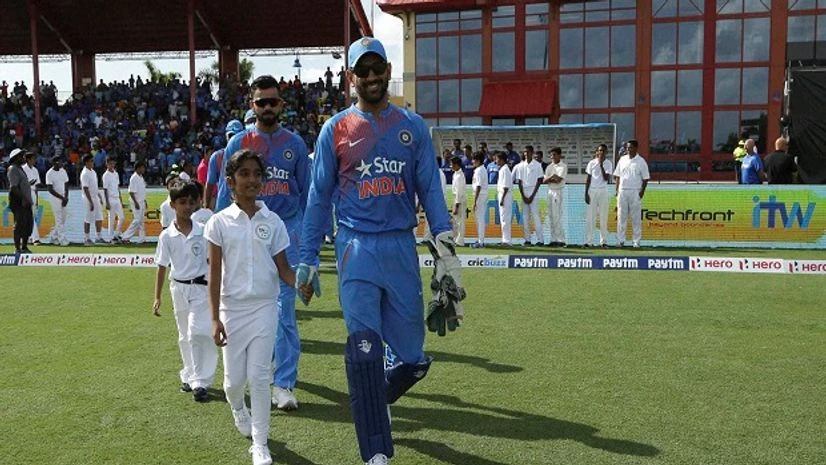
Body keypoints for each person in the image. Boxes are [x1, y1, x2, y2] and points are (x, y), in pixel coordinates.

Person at [296, 37, 461, 465]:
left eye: (377, 68)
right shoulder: (336, 129)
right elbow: (317, 197)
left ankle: (373, 396)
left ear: (388, 71)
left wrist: (445, 246)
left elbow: (430, 188)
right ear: (350, 77)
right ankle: (376, 452)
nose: (370, 77)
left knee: (412, 358)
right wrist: (308, 257)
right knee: (364, 347)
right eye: (362, 70)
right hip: (356, 248)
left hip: (401, 247)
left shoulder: (413, 127)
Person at [218, 75, 311, 411]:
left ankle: (283, 384)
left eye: (273, 101)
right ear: (252, 105)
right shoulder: (237, 144)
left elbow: (308, 195)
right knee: (245, 306)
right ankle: (250, 373)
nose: (268, 107)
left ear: (281, 105)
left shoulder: (295, 145)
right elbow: (220, 195)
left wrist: (307, 243)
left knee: (284, 311)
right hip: (244, 233)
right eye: (261, 102)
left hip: (285, 233)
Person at [205, 149, 298, 465]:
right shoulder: (218, 223)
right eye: (244, 174)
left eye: (257, 174)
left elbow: (284, 268)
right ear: (230, 181)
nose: (252, 180)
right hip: (231, 311)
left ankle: (260, 444)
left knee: (259, 377)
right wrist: (215, 318)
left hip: (264, 308)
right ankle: (237, 409)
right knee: (233, 383)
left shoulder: (273, 221)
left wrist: (302, 282)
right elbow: (214, 274)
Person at [153, 180, 218, 403]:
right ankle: (189, 375)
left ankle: (201, 381)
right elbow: (161, 265)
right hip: (177, 288)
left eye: (192, 202)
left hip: (201, 287)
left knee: (198, 332)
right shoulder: (166, 236)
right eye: (182, 202)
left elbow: (214, 260)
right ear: (172, 205)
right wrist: (157, 297)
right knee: (184, 335)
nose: (187, 207)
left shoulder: (203, 231)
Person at [613, 140, 650, 248]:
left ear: (636, 148)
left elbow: (645, 178)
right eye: (627, 148)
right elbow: (617, 176)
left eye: (631, 148)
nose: (628, 150)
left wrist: (641, 192)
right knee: (621, 217)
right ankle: (620, 240)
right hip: (622, 191)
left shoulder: (641, 161)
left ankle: (636, 241)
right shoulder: (622, 160)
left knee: (636, 218)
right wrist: (617, 191)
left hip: (635, 191)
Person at [205, 119, 243, 210]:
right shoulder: (217, 157)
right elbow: (210, 184)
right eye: (231, 135)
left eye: (237, 135)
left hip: (243, 207)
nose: (233, 139)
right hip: (223, 206)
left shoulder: (248, 157)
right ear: (226, 136)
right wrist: (206, 207)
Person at [513, 145, 544, 246]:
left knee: (536, 216)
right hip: (524, 192)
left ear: (532, 153)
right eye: (524, 152)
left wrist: (532, 195)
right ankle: (527, 240)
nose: (526, 154)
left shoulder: (537, 165)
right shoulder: (520, 166)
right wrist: (523, 196)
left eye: (528, 152)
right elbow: (519, 182)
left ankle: (540, 240)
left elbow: (540, 180)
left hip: (533, 191)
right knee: (525, 217)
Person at [584, 144, 613, 248]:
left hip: (603, 191)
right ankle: (589, 242)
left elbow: (606, 178)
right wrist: (586, 193)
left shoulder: (608, 163)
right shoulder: (591, 163)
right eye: (599, 151)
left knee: (603, 217)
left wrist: (601, 165)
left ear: (606, 152)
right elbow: (588, 179)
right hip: (592, 191)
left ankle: (603, 242)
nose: (601, 153)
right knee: (590, 217)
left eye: (603, 151)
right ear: (596, 152)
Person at [6, 149, 34, 253]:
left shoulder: (20, 169)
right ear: (15, 158)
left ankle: (24, 247)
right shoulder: (13, 169)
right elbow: (14, 187)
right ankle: (17, 249)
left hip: (26, 201)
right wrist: (23, 198)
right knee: (19, 225)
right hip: (18, 202)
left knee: (27, 225)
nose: (23, 157)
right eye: (21, 155)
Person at [543, 147, 567, 247]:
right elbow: (544, 181)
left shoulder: (563, 166)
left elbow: (558, 180)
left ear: (559, 155)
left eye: (554, 155)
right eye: (551, 155)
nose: (552, 157)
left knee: (557, 216)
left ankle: (561, 240)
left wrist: (551, 178)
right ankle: (553, 239)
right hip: (550, 191)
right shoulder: (549, 167)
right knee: (551, 216)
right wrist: (552, 176)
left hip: (558, 191)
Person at [80, 154, 105, 245]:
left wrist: (99, 196)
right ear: (86, 162)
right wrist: (90, 201)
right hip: (88, 198)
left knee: (99, 217)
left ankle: (98, 237)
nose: (93, 163)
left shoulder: (93, 172)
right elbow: (85, 188)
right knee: (88, 218)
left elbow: (95, 186)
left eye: (93, 161)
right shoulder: (84, 173)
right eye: (91, 161)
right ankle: (86, 238)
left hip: (95, 197)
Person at [44, 156, 69, 246]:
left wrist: (66, 197)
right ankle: (62, 239)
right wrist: (62, 198)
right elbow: (50, 189)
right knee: (58, 218)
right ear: (54, 163)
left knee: (63, 219)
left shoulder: (63, 171)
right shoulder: (49, 173)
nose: (61, 163)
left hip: (63, 196)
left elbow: (66, 185)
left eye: (62, 161)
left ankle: (53, 237)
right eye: (59, 162)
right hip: (55, 198)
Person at [122, 160, 147, 244]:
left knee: (141, 221)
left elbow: (142, 191)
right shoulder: (134, 178)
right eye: (142, 168)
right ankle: (125, 237)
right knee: (137, 220)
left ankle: (142, 239)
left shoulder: (141, 177)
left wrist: (144, 201)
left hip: (141, 201)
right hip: (136, 202)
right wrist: (136, 202)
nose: (144, 169)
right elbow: (131, 192)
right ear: (138, 168)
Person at [102, 156, 125, 243]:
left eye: (113, 163)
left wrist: (121, 199)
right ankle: (111, 237)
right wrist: (107, 202)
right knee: (111, 219)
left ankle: (116, 234)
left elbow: (117, 187)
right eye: (110, 163)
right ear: (107, 164)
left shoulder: (116, 174)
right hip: (110, 198)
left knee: (122, 217)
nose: (112, 165)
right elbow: (105, 189)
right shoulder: (105, 175)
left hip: (117, 198)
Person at [22, 151, 42, 245]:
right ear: (28, 159)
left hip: (33, 193)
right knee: (29, 216)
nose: (35, 160)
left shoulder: (35, 170)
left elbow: (37, 186)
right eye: (33, 158)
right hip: (25, 194)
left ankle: (28, 237)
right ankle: (35, 239)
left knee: (32, 217)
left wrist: (37, 199)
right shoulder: (22, 169)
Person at [470, 152, 488, 248]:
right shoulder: (479, 169)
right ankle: (480, 239)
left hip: (480, 195)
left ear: (477, 160)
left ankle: (481, 241)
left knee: (480, 219)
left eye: (473, 160)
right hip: (480, 195)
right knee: (478, 218)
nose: (472, 162)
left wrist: (475, 201)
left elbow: (478, 186)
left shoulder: (480, 170)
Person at [495, 151, 513, 246]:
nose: (496, 161)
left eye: (497, 159)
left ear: (501, 159)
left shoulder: (505, 170)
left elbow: (506, 186)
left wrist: (502, 199)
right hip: (503, 195)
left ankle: (507, 240)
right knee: (503, 218)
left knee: (505, 218)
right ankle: (504, 239)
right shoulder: (502, 169)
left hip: (505, 196)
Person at [450, 156, 467, 246]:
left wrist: (456, 205)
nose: (451, 166)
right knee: (456, 221)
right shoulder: (455, 174)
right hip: (455, 199)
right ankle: (456, 239)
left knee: (460, 221)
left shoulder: (460, 176)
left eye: (452, 164)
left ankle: (460, 241)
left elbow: (459, 192)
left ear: (457, 165)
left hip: (459, 201)